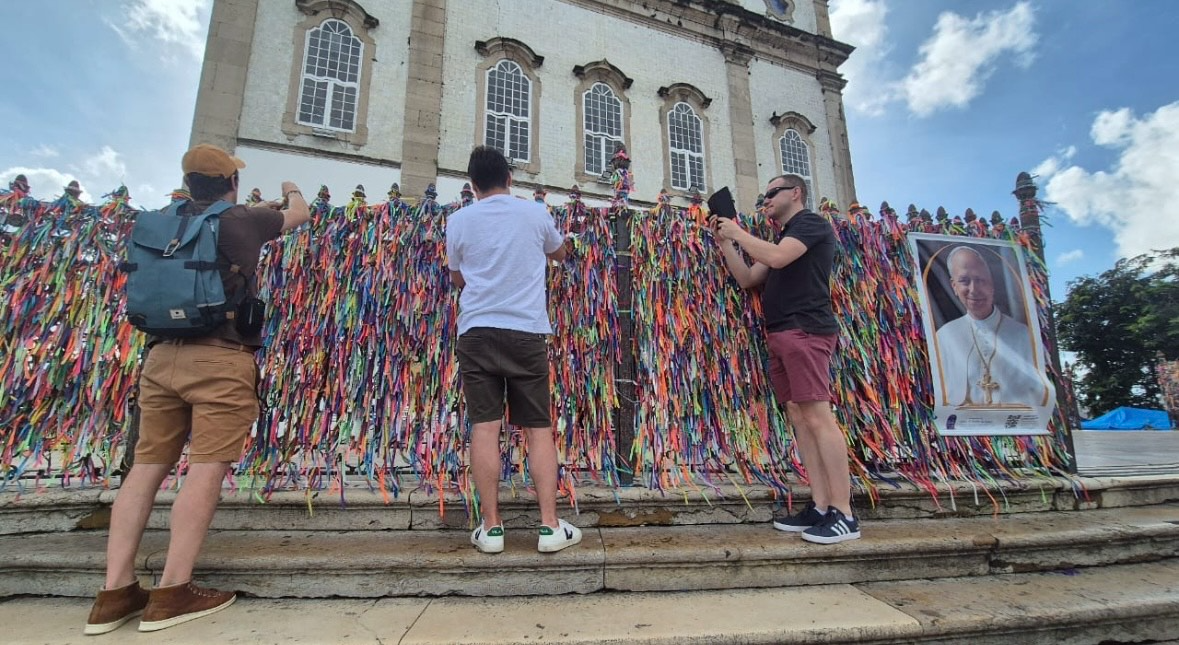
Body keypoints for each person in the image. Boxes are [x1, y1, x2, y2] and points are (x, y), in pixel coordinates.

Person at [85, 144, 310, 635]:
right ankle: (172, 591)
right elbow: (301, 214)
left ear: (188, 185)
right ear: (230, 182)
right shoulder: (242, 220)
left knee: (144, 471)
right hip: (220, 358)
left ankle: (113, 594)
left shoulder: (159, 223)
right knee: (205, 468)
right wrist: (289, 189)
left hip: (160, 356)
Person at [445, 145, 582, 555]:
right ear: (510, 178)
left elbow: (456, 278)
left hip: (477, 331)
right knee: (538, 429)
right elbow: (559, 253)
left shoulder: (458, 220)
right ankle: (549, 527)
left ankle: (491, 530)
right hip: (525, 332)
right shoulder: (534, 214)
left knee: (484, 427)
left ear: (472, 185)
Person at [710, 174, 860, 545]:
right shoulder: (782, 237)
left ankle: (844, 513)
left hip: (805, 330)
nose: (766, 199)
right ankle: (821, 505)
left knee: (817, 416)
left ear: (795, 193)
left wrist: (739, 233)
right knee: (800, 416)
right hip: (782, 333)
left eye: (771, 193)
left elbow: (777, 257)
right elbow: (748, 278)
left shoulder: (809, 223)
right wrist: (725, 241)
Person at [933, 246, 1049, 408]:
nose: (974, 290)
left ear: (991, 284)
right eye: (964, 281)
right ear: (954, 287)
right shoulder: (944, 336)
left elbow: (1036, 396)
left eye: (980, 280)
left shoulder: (1023, 335)